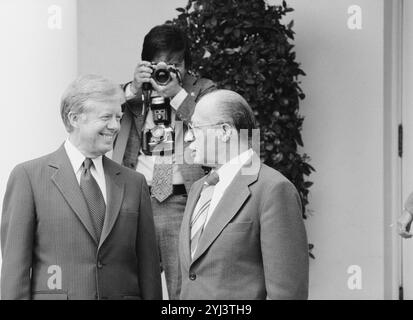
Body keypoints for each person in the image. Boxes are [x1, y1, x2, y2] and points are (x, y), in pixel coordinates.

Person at [1, 74, 162, 300]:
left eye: (118, 117)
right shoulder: (28, 177)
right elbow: (14, 269)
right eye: (107, 117)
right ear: (74, 118)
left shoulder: (134, 183)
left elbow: (149, 269)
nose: (115, 126)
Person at [112, 24, 216, 299]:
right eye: (162, 64)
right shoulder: (137, 91)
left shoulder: (202, 90)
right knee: (133, 284)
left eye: (176, 64)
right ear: (147, 64)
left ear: (187, 63)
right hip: (137, 199)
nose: (168, 71)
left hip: (180, 201)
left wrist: (176, 95)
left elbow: (214, 127)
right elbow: (105, 108)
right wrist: (133, 87)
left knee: (182, 285)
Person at [179, 89, 309, 299]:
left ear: (224, 131)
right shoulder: (198, 189)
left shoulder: (273, 189)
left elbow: (288, 293)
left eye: (195, 128)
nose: (187, 136)